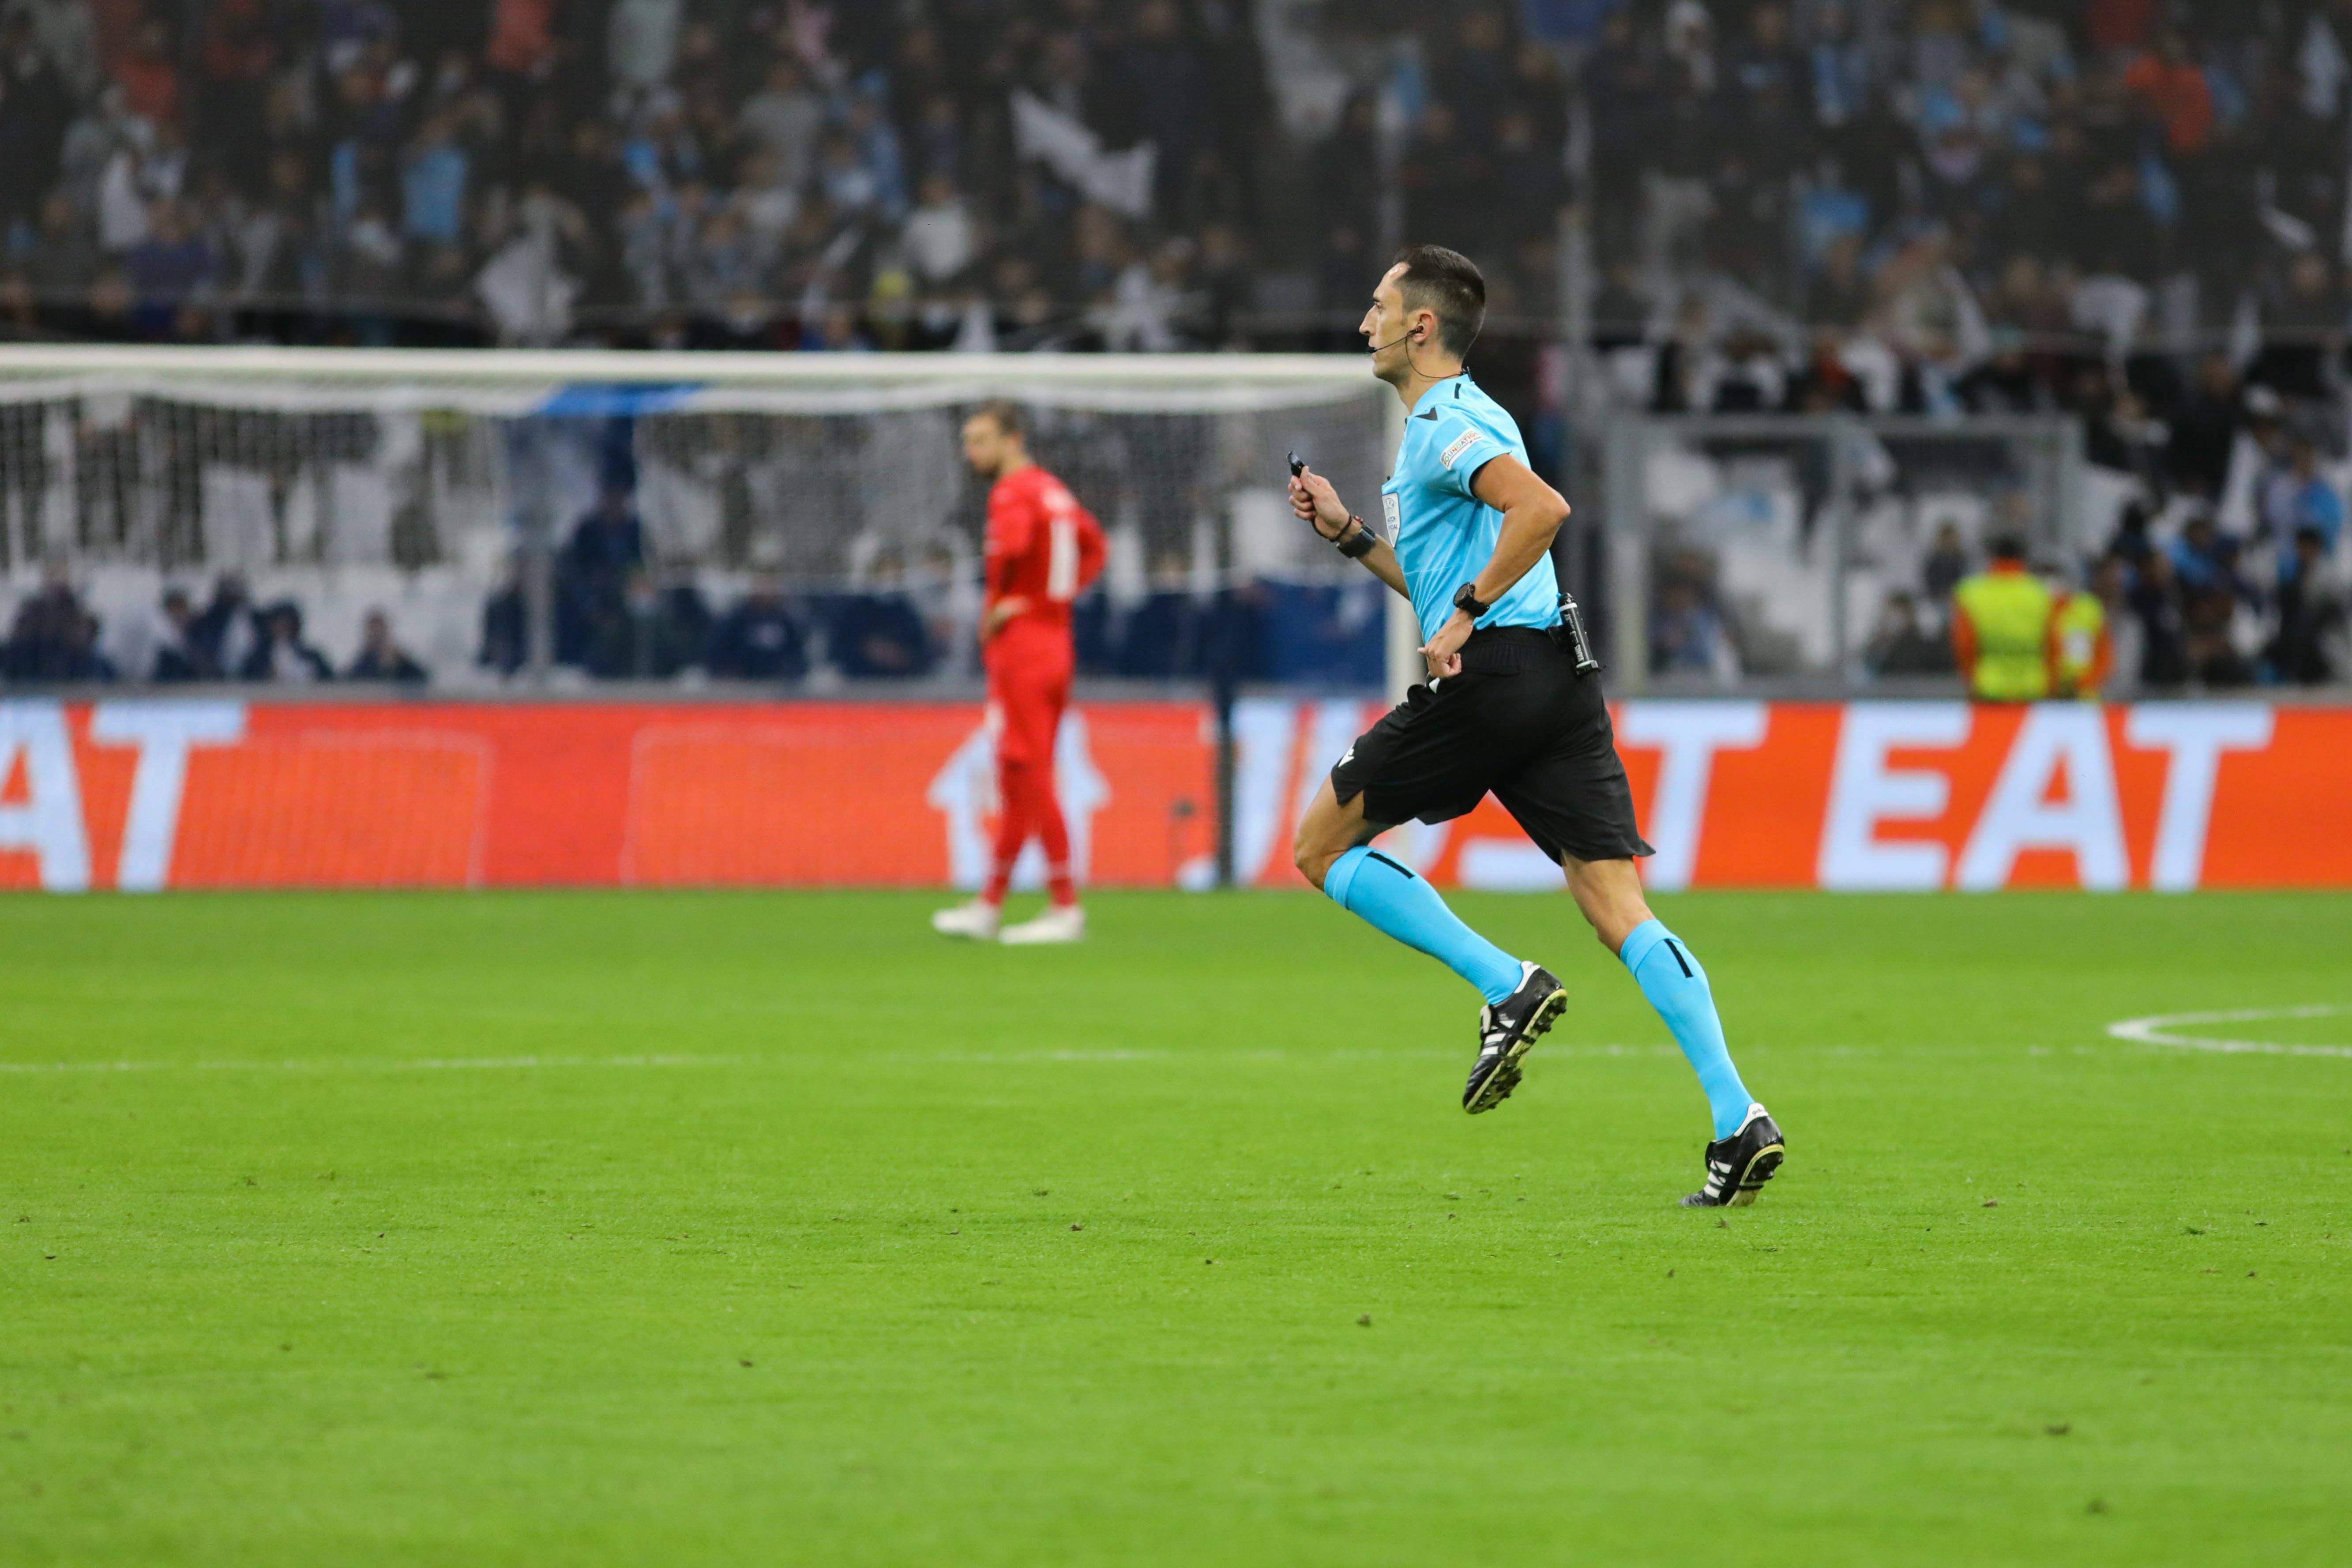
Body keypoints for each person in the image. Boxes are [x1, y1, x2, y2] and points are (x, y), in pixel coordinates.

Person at [1285, 245, 1783, 1209]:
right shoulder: (1472, 419)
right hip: (1556, 673)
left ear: (1419, 326)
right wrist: (1350, 537)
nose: (1364, 323)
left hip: (1499, 671)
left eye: (1377, 306)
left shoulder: (1442, 424)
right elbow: (1441, 584)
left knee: (1318, 845)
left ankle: (1504, 981)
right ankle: (1737, 1118)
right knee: (1615, 905)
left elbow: (1541, 511)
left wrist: (1468, 609)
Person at [931, 401, 1105, 947]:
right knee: (1015, 774)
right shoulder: (1053, 489)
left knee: (1027, 771)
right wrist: (1057, 597)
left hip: (1022, 648)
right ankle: (989, 905)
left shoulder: (1010, 494)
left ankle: (1064, 905)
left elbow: (1010, 552)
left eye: (981, 440)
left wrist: (1003, 606)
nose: (971, 452)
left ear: (1012, 440)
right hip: (1055, 639)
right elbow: (1095, 546)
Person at [1950, 535, 2055, 701]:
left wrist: (1969, 679)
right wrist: (2051, 681)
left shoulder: (1972, 592)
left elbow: (1964, 644)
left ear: (1991, 557)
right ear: (2023, 558)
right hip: (2032, 683)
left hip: (1988, 683)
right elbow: (2053, 642)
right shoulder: (2040, 593)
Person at [345, 610, 429, 684]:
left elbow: (421, 680)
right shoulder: (362, 663)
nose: (377, 637)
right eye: (374, 633)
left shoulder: (401, 661)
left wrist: (396, 665)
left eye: (380, 633)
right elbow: (351, 683)